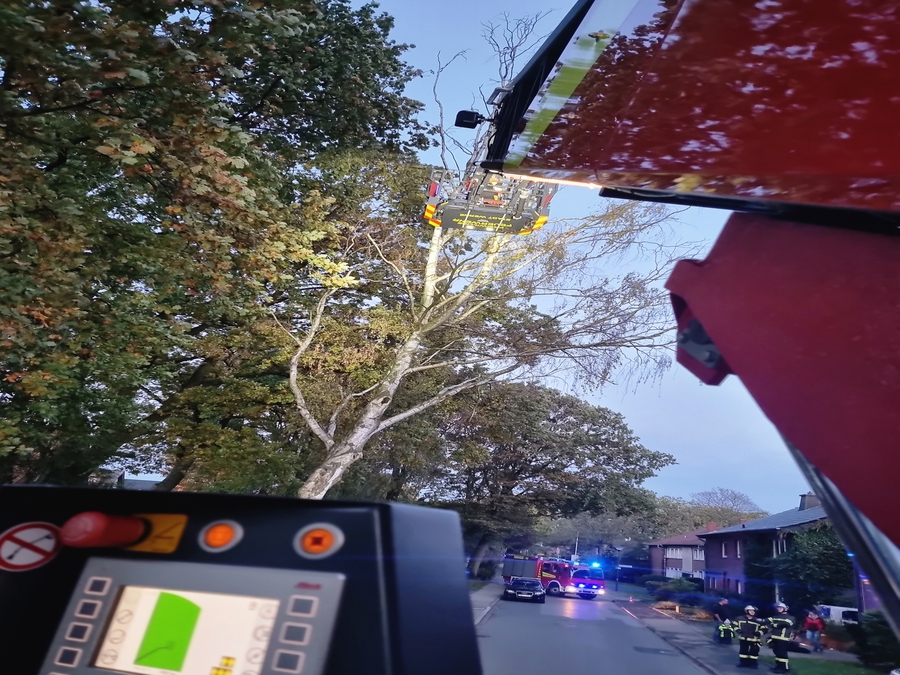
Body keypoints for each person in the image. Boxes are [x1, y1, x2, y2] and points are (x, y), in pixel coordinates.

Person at [767, 602, 795, 671]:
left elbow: (786, 624)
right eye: (778, 608)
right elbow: (766, 621)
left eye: (780, 608)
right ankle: (778, 666)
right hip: (775, 637)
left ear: (785, 609)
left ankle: (785, 668)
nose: (778, 609)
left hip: (783, 638)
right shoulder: (775, 617)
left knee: (782, 654)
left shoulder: (791, 617)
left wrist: (774, 625)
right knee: (777, 653)